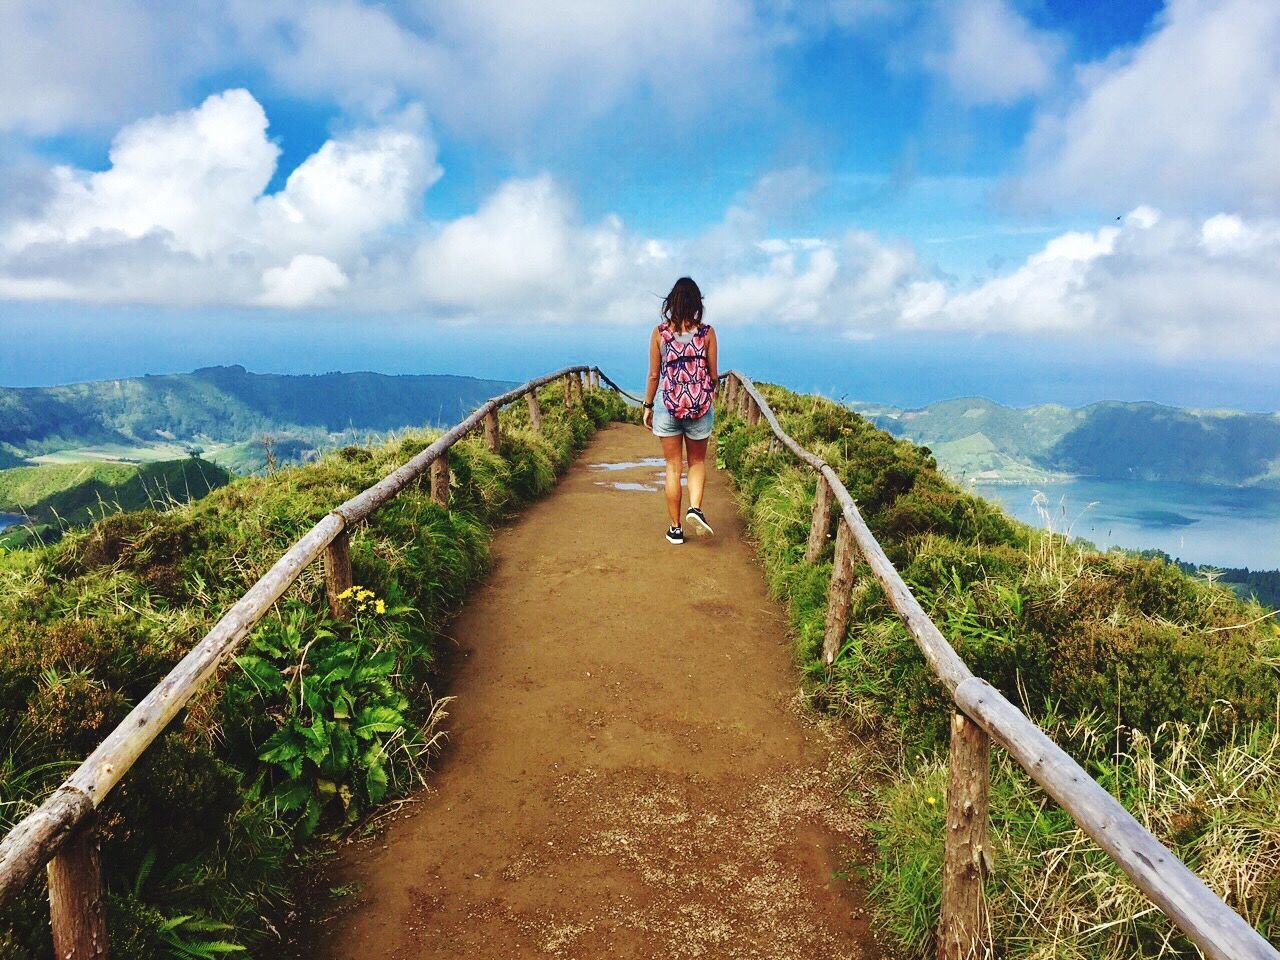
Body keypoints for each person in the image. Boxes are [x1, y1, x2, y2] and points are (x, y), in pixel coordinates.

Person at [642, 276, 718, 545]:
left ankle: (675, 529)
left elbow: (654, 375)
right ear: (697, 303)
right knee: (697, 462)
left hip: (668, 405)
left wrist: (648, 405)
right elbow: (713, 374)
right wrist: (709, 395)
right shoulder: (707, 333)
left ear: (671, 303)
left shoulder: (659, 333)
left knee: (673, 467)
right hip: (699, 406)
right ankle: (695, 508)